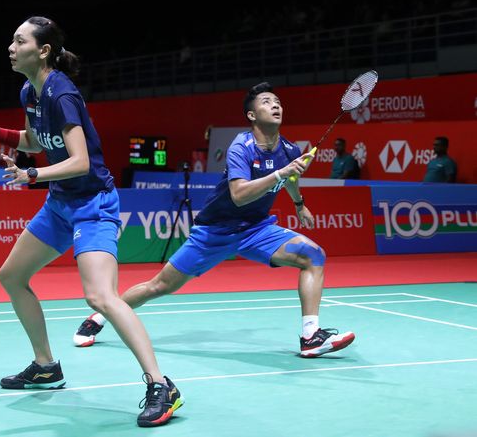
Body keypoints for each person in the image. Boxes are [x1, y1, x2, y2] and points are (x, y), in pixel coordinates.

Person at [0, 16, 182, 427]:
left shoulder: (62, 94)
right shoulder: (30, 91)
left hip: (93, 204)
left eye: (18, 40)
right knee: (12, 276)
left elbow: (81, 162)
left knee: (101, 298)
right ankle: (45, 365)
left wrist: (32, 175)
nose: (10, 46)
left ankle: (161, 385)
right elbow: (33, 142)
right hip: (60, 203)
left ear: (42, 51)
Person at [74, 82, 356, 359]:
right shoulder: (241, 147)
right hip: (215, 232)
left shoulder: (289, 150)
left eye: (277, 101)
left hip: (256, 229)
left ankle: (311, 336)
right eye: (267, 102)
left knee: (313, 255)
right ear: (252, 115)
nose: (275, 105)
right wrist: (280, 174)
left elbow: (291, 176)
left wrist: (298, 203)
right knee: (159, 286)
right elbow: (239, 195)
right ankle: (99, 316)